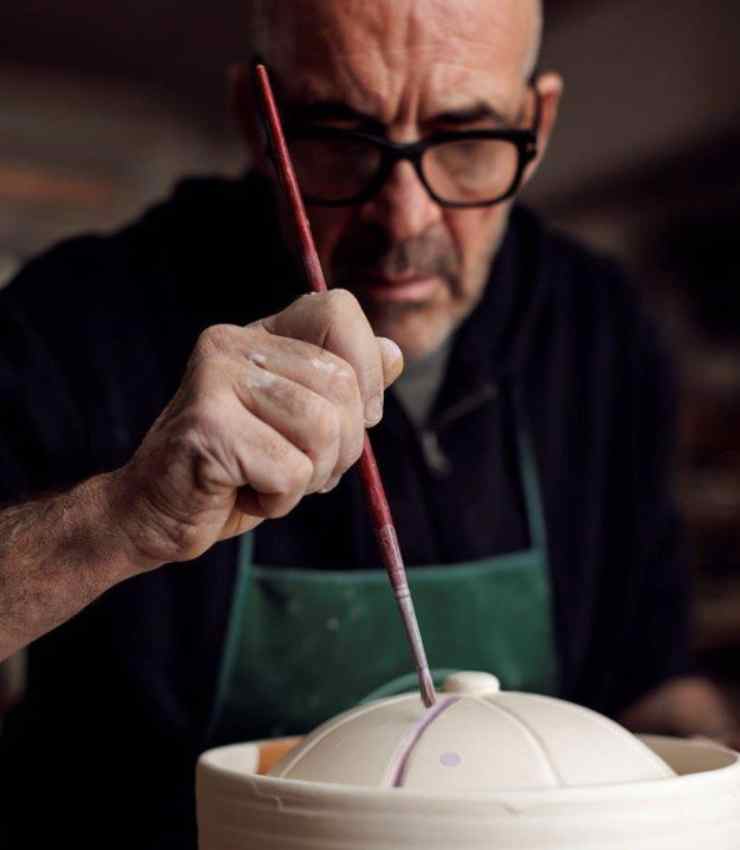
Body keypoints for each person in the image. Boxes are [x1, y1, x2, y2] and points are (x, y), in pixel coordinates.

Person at [0, 0, 735, 846]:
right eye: (344, 138)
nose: (405, 219)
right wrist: (120, 517)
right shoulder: (78, 317)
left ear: (536, 123)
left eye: (466, 140)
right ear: (259, 122)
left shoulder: (599, 327)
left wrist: (707, 772)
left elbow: (648, 683)